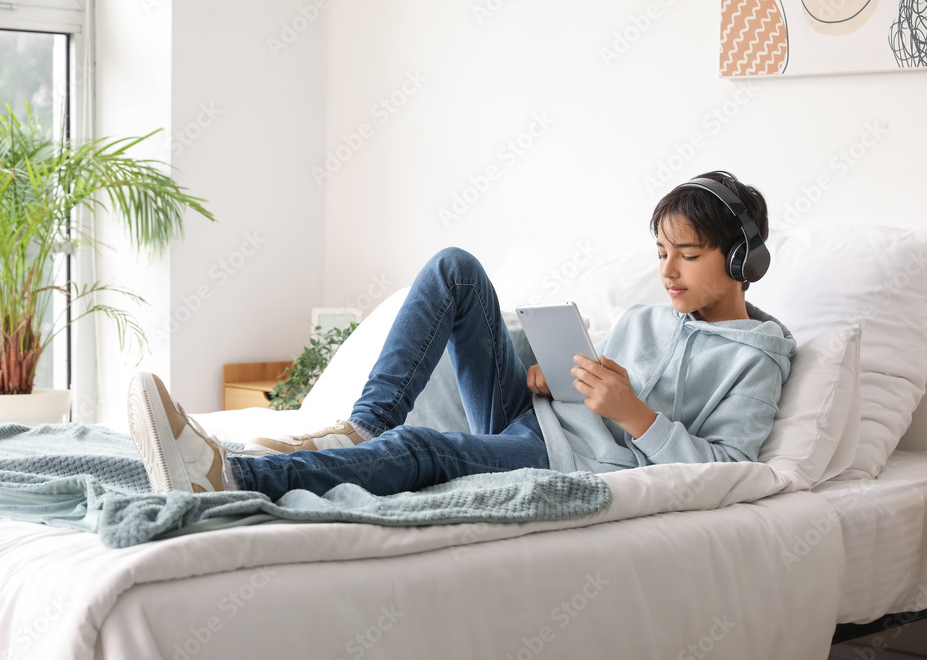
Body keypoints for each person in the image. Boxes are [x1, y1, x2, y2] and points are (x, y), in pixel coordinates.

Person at [127, 170, 796, 498]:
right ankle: (360, 428)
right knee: (455, 270)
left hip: (567, 462)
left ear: (739, 261)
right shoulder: (648, 318)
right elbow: (604, 388)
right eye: (660, 253)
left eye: (688, 254)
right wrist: (554, 373)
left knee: (425, 448)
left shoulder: (758, 361)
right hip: (534, 414)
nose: (668, 271)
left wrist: (634, 413)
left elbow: (732, 475)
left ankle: (233, 476)